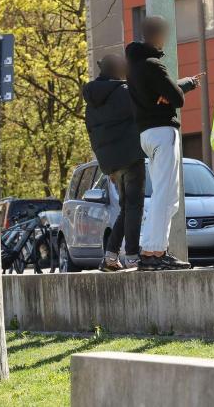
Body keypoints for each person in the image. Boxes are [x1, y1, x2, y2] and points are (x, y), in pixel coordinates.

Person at [125, 16, 202, 271]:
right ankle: (154, 253)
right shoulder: (154, 65)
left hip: (146, 134)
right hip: (163, 132)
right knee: (166, 196)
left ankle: (154, 249)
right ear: (158, 36)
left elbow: (170, 94)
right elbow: (177, 99)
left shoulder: (133, 66)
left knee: (163, 195)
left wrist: (175, 89)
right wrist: (177, 90)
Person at [83, 53, 146, 272]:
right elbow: (150, 99)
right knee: (135, 206)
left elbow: (92, 133)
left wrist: (106, 165)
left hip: (112, 164)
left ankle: (111, 256)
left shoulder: (91, 101)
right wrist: (185, 86)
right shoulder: (125, 93)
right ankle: (132, 256)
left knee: (126, 208)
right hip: (131, 156)